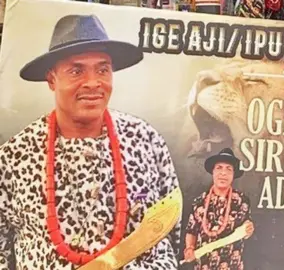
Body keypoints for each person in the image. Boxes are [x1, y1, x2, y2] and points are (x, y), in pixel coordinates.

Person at [0, 14, 182, 269]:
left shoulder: (146, 141)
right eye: (76, 71)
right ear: (52, 80)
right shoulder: (14, 157)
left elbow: (172, 234)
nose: (93, 83)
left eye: (103, 69)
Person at [183, 148, 255, 270]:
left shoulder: (242, 201)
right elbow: (191, 231)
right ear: (213, 172)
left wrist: (249, 230)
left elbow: (246, 230)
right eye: (219, 168)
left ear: (233, 174)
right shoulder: (198, 202)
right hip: (203, 266)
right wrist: (189, 248)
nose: (223, 173)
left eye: (228, 169)